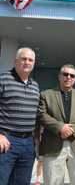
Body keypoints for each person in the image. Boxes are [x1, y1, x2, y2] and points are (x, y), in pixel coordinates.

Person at [37, 64, 75, 185]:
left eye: (72, 75)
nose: (68, 77)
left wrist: (72, 129)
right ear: (59, 76)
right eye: (65, 74)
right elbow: (42, 115)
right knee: (53, 182)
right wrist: (60, 127)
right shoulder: (46, 95)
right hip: (53, 144)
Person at [0, 47, 39, 185]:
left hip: (28, 143)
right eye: (23, 59)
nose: (27, 62)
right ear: (15, 61)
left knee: (22, 182)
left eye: (30, 60)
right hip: (6, 141)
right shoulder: (3, 79)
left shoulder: (35, 85)